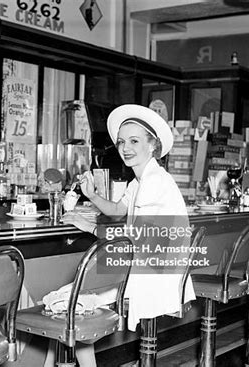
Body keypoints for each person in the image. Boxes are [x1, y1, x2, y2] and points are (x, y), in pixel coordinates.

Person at [59, 104, 196, 365]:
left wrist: (89, 227)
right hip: (149, 271)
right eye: (121, 142)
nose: (125, 148)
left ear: (152, 145)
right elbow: (116, 211)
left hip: (153, 279)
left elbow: (137, 239)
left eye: (134, 141)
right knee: (70, 301)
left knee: (67, 301)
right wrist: (91, 195)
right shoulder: (142, 180)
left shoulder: (154, 182)